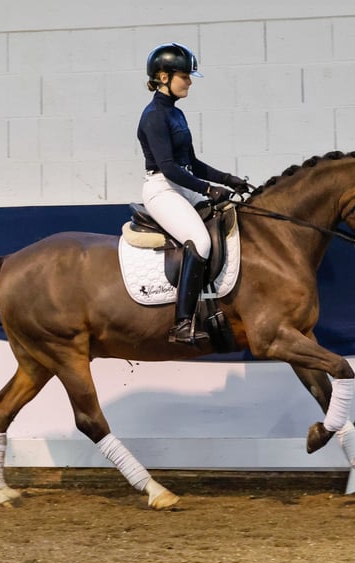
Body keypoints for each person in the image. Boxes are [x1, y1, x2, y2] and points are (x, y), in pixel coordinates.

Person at [137, 42, 247, 345]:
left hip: (184, 186)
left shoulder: (177, 114)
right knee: (199, 241)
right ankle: (183, 322)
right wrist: (210, 189)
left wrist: (228, 179)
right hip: (163, 188)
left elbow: (193, 164)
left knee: (236, 214)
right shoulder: (154, 116)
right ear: (163, 77)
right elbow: (169, 168)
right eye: (184, 76)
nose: (188, 82)